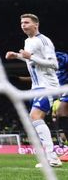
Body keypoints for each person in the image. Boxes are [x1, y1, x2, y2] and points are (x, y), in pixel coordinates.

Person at [5, 13, 61, 168]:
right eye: (22, 22)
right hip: (36, 87)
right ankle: (52, 157)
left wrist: (30, 56)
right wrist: (16, 56)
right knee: (35, 119)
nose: (23, 25)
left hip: (48, 85)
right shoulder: (27, 41)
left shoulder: (44, 40)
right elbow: (30, 59)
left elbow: (54, 64)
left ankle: (52, 157)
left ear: (36, 25)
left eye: (26, 22)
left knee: (35, 116)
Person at [54, 51, 68, 162]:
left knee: (61, 110)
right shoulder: (46, 65)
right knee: (61, 111)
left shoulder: (62, 57)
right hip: (64, 91)